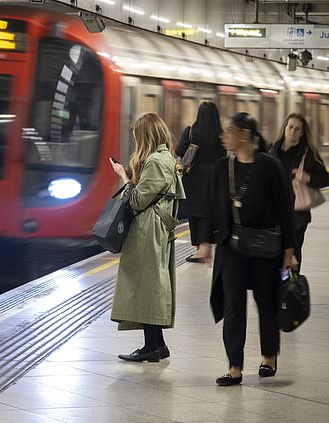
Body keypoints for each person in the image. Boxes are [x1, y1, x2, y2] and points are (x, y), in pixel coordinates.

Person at [204, 112, 296, 386]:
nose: (224, 137)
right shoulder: (221, 167)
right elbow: (212, 206)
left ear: (244, 134)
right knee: (233, 305)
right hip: (231, 247)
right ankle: (234, 366)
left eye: (229, 131)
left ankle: (269, 356)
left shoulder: (270, 166)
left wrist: (289, 250)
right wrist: (205, 243)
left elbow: (284, 209)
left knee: (266, 303)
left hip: (264, 246)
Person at [110, 113, 185, 362]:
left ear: (145, 136)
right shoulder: (167, 158)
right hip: (156, 228)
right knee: (149, 284)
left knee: (147, 285)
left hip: (148, 230)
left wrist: (123, 177)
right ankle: (155, 345)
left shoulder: (154, 161)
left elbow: (137, 200)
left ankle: (153, 347)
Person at [269, 113, 329, 269]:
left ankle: (291, 286)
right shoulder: (272, 151)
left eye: (297, 129)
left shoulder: (308, 154)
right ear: (284, 128)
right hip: (274, 212)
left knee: (293, 254)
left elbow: (325, 179)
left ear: (302, 133)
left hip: (297, 216)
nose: (293, 132)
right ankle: (279, 286)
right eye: (290, 127)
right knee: (275, 253)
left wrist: (308, 178)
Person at [176, 101, 226, 262]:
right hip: (214, 177)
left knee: (195, 214)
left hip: (193, 176)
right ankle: (204, 249)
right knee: (208, 214)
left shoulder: (191, 131)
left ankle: (200, 249)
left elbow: (180, 152)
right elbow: (224, 156)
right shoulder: (220, 134)